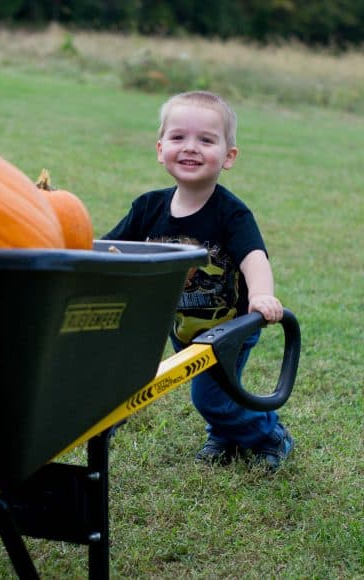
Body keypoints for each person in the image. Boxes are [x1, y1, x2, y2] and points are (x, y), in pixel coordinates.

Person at [104, 90, 293, 470]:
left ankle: (269, 434)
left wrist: (261, 295)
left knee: (209, 395)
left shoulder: (231, 214)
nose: (190, 147)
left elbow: (254, 256)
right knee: (216, 390)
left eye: (206, 140)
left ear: (228, 157)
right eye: (178, 138)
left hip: (230, 325)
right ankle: (224, 435)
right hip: (184, 324)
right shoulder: (147, 208)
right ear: (160, 149)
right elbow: (110, 249)